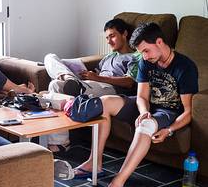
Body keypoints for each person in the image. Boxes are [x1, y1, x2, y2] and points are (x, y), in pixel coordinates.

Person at [54, 22, 199, 187]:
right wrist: (144, 111)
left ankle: (117, 184)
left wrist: (169, 130)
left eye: (146, 50)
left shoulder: (185, 67)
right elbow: (141, 96)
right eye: (141, 52)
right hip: (146, 108)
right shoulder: (146, 61)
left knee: (145, 126)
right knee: (106, 102)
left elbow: (187, 112)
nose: (144, 56)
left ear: (160, 42)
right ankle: (93, 164)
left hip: (167, 112)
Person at [44, 18, 141, 152]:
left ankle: (73, 88)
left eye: (112, 36)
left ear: (124, 34)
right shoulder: (108, 57)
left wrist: (97, 77)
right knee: (51, 64)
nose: (109, 41)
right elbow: (95, 74)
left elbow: (129, 82)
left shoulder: (135, 57)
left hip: (111, 90)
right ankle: (61, 142)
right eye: (107, 37)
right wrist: (84, 74)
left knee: (53, 92)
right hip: (91, 84)